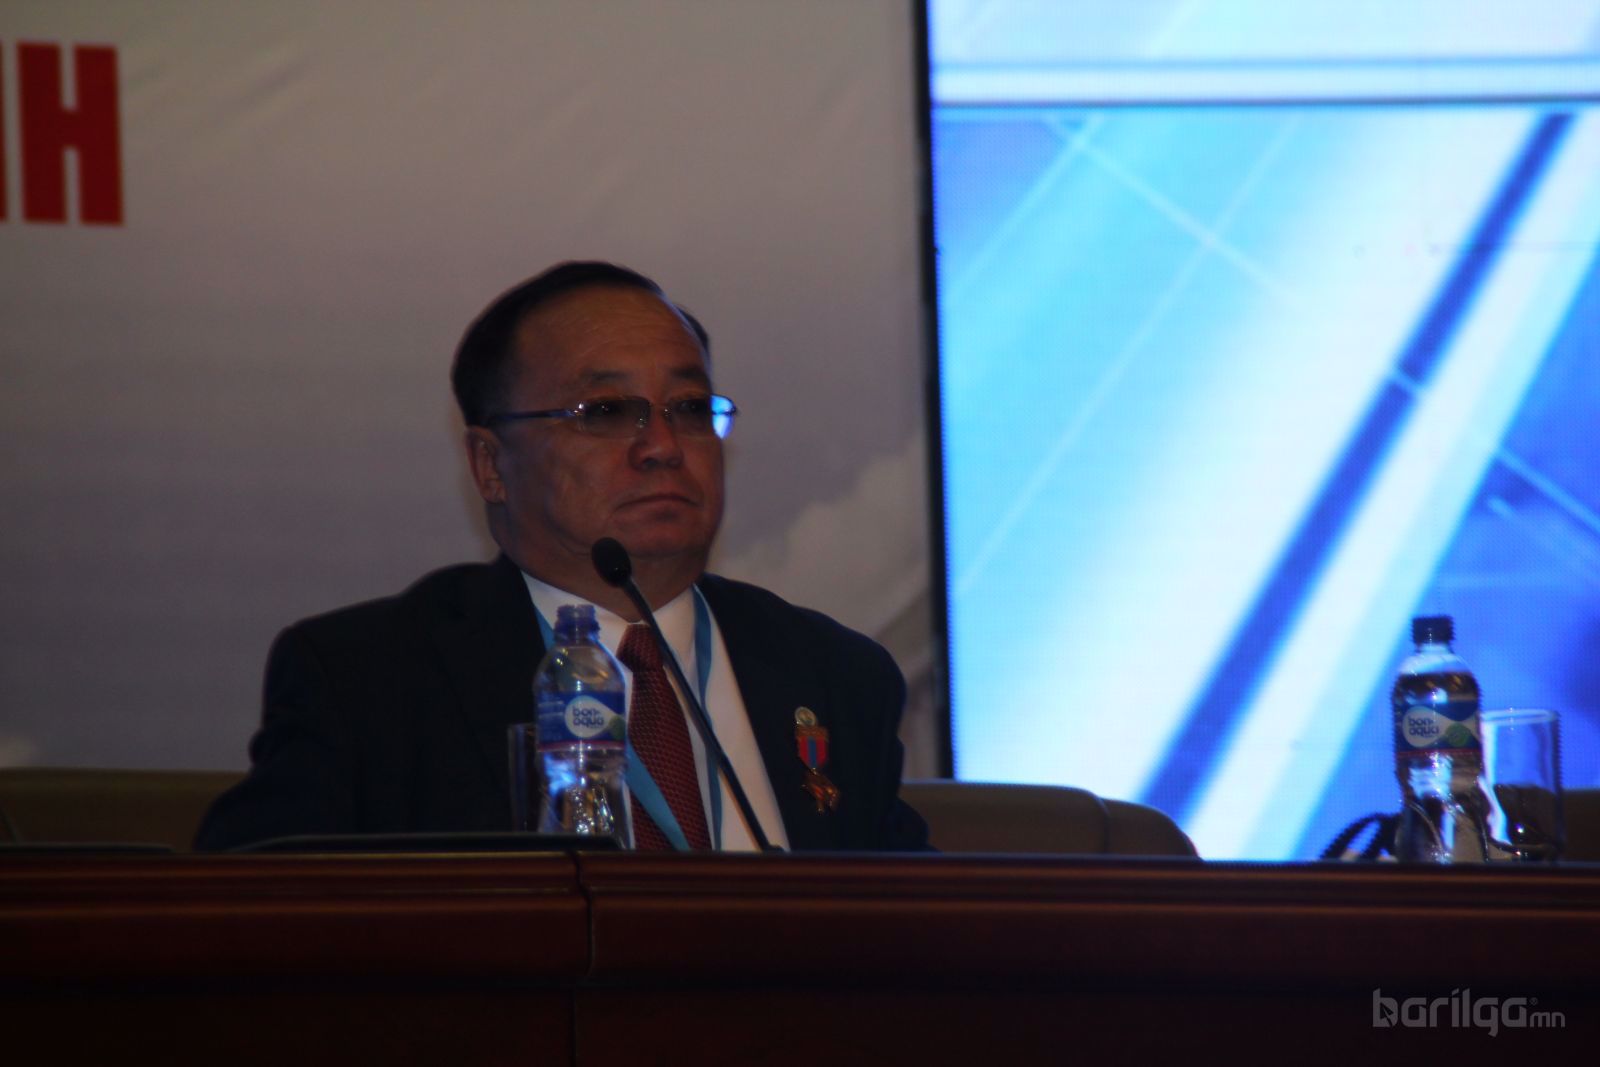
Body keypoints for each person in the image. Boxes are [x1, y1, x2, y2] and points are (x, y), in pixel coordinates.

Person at [195, 261, 927, 852]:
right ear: (491, 465)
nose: (662, 446)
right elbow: (252, 922)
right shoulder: (367, 680)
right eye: (606, 412)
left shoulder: (834, 675)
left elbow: (911, 932)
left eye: (689, 409)